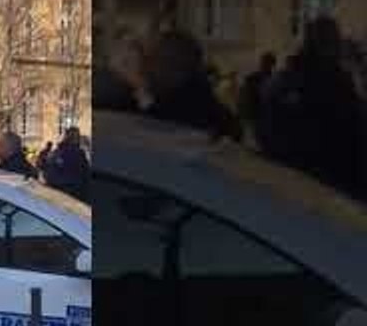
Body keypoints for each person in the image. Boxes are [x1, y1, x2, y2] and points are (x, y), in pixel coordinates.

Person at [257, 17, 363, 197]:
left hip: (287, 179)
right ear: (330, 45)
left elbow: (263, 127)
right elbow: (354, 127)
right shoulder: (334, 81)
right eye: (336, 41)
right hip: (330, 182)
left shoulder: (284, 79)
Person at [145, 30, 242, 140]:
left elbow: (165, 126)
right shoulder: (165, 92)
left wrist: (140, 90)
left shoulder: (193, 100)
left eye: (158, 58)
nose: (150, 66)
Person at [45, 127, 91, 201]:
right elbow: (85, 174)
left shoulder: (56, 152)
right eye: (77, 137)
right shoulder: (78, 153)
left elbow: (48, 172)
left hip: (57, 192)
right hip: (74, 192)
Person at [238, 52, 276, 136]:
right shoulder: (252, 79)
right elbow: (245, 98)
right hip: (257, 115)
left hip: (263, 116)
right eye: (265, 63)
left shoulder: (273, 78)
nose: (267, 66)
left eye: (269, 64)